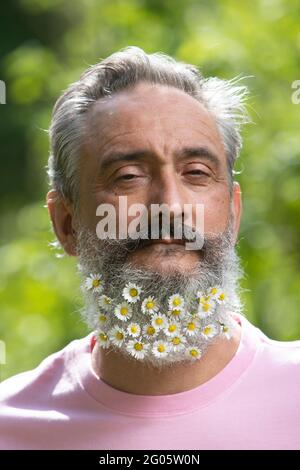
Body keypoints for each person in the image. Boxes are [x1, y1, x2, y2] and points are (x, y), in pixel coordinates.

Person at [0, 46, 299, 450]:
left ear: (232, 213)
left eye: (196, 173)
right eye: (127, 176)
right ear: (66, 223)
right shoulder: (12, 429)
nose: (170, 206)